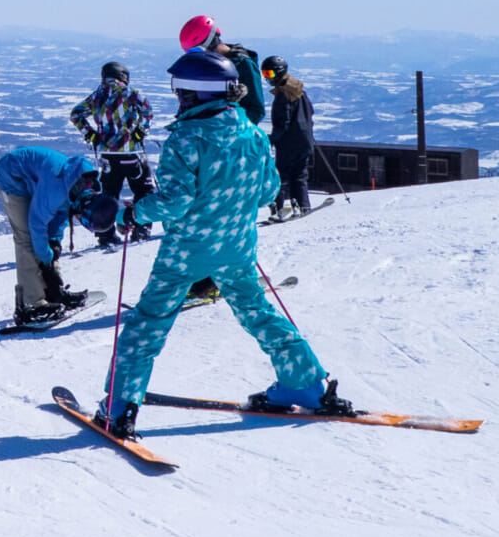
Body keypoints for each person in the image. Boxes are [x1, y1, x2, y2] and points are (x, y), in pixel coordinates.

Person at [93, 48, 351, 437]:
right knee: (257, 311)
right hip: (237, 245)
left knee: (148, 323)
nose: (177, 97)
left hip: (187, 251)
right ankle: (306, 384)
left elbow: (175, 202)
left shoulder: (186, 138)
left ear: (195, 93)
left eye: (180, 90)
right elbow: (267, 192)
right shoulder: (252, 133)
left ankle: (119, 407)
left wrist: (134, 212)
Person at [177, 15, 266, 301]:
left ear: (213, 41)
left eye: (198, 51)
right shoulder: (208, 66)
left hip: (233, 150)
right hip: (209, 146)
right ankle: (204, 277)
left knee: (225, 218)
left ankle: (221, 277)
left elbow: (256, 110)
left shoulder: (242, 64)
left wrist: (231, 120)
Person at [0, 146, 98, 330]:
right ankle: (32, 304)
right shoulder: (57, 188)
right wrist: (47, 256)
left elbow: (61, 214)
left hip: (31, 178)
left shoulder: (78, 184)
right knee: (26, 237)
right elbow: (37, 223)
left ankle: (53, 291)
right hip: (10, 177)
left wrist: (54, 242)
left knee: (46, 242)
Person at [68, 61, 156, 248]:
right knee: (143, 189)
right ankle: (141, 229)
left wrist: (90, 134)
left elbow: (76, 114)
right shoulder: (131, 93)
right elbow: (148, 111)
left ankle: (106, 235)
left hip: (107, 153)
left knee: (108, 193)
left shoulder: (97, 96)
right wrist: (141, 131)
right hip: (132, 151)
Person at [262, 55, 315, 218]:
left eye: (269, 74)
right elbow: (310, 111)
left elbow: (282, 122)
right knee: (299, 174)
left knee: (281, 175)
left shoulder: (283, 94)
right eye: (264, 74)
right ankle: (303, 204)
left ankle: (279, 208)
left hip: (289, 142)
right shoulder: (298, 90)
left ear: (279, 72)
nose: (267, 78)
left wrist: (271, 139)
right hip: (305, 139)